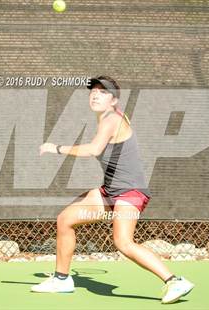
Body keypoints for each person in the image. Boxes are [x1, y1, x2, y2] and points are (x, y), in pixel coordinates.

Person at [34, 75, 194, 303]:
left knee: (123, 242)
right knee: (65, 220)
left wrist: (56, 148)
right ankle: (61, 279)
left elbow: (93, 149)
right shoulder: (108, 117)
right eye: (93, 91)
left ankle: (175, 281)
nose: (96, 94)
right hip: (110, 191)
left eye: (103, 92)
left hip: (130, 192)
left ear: (114, 101)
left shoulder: (111, 119)